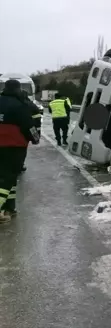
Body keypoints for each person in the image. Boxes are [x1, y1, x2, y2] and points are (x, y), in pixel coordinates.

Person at [0, 79, 40, 223]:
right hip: (13, 146)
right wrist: (35, 139)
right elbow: (28, 126)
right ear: (18, 89)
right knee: (9, 176)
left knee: (5, 177)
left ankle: (9, 208)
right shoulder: (20, 105)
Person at [19, 90, 42, 172]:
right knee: (22, 149)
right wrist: (36, 137)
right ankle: (20, 165)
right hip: (26, 131)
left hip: (10, 131)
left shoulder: (13, 104)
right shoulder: (31, 105)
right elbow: (37, 123)